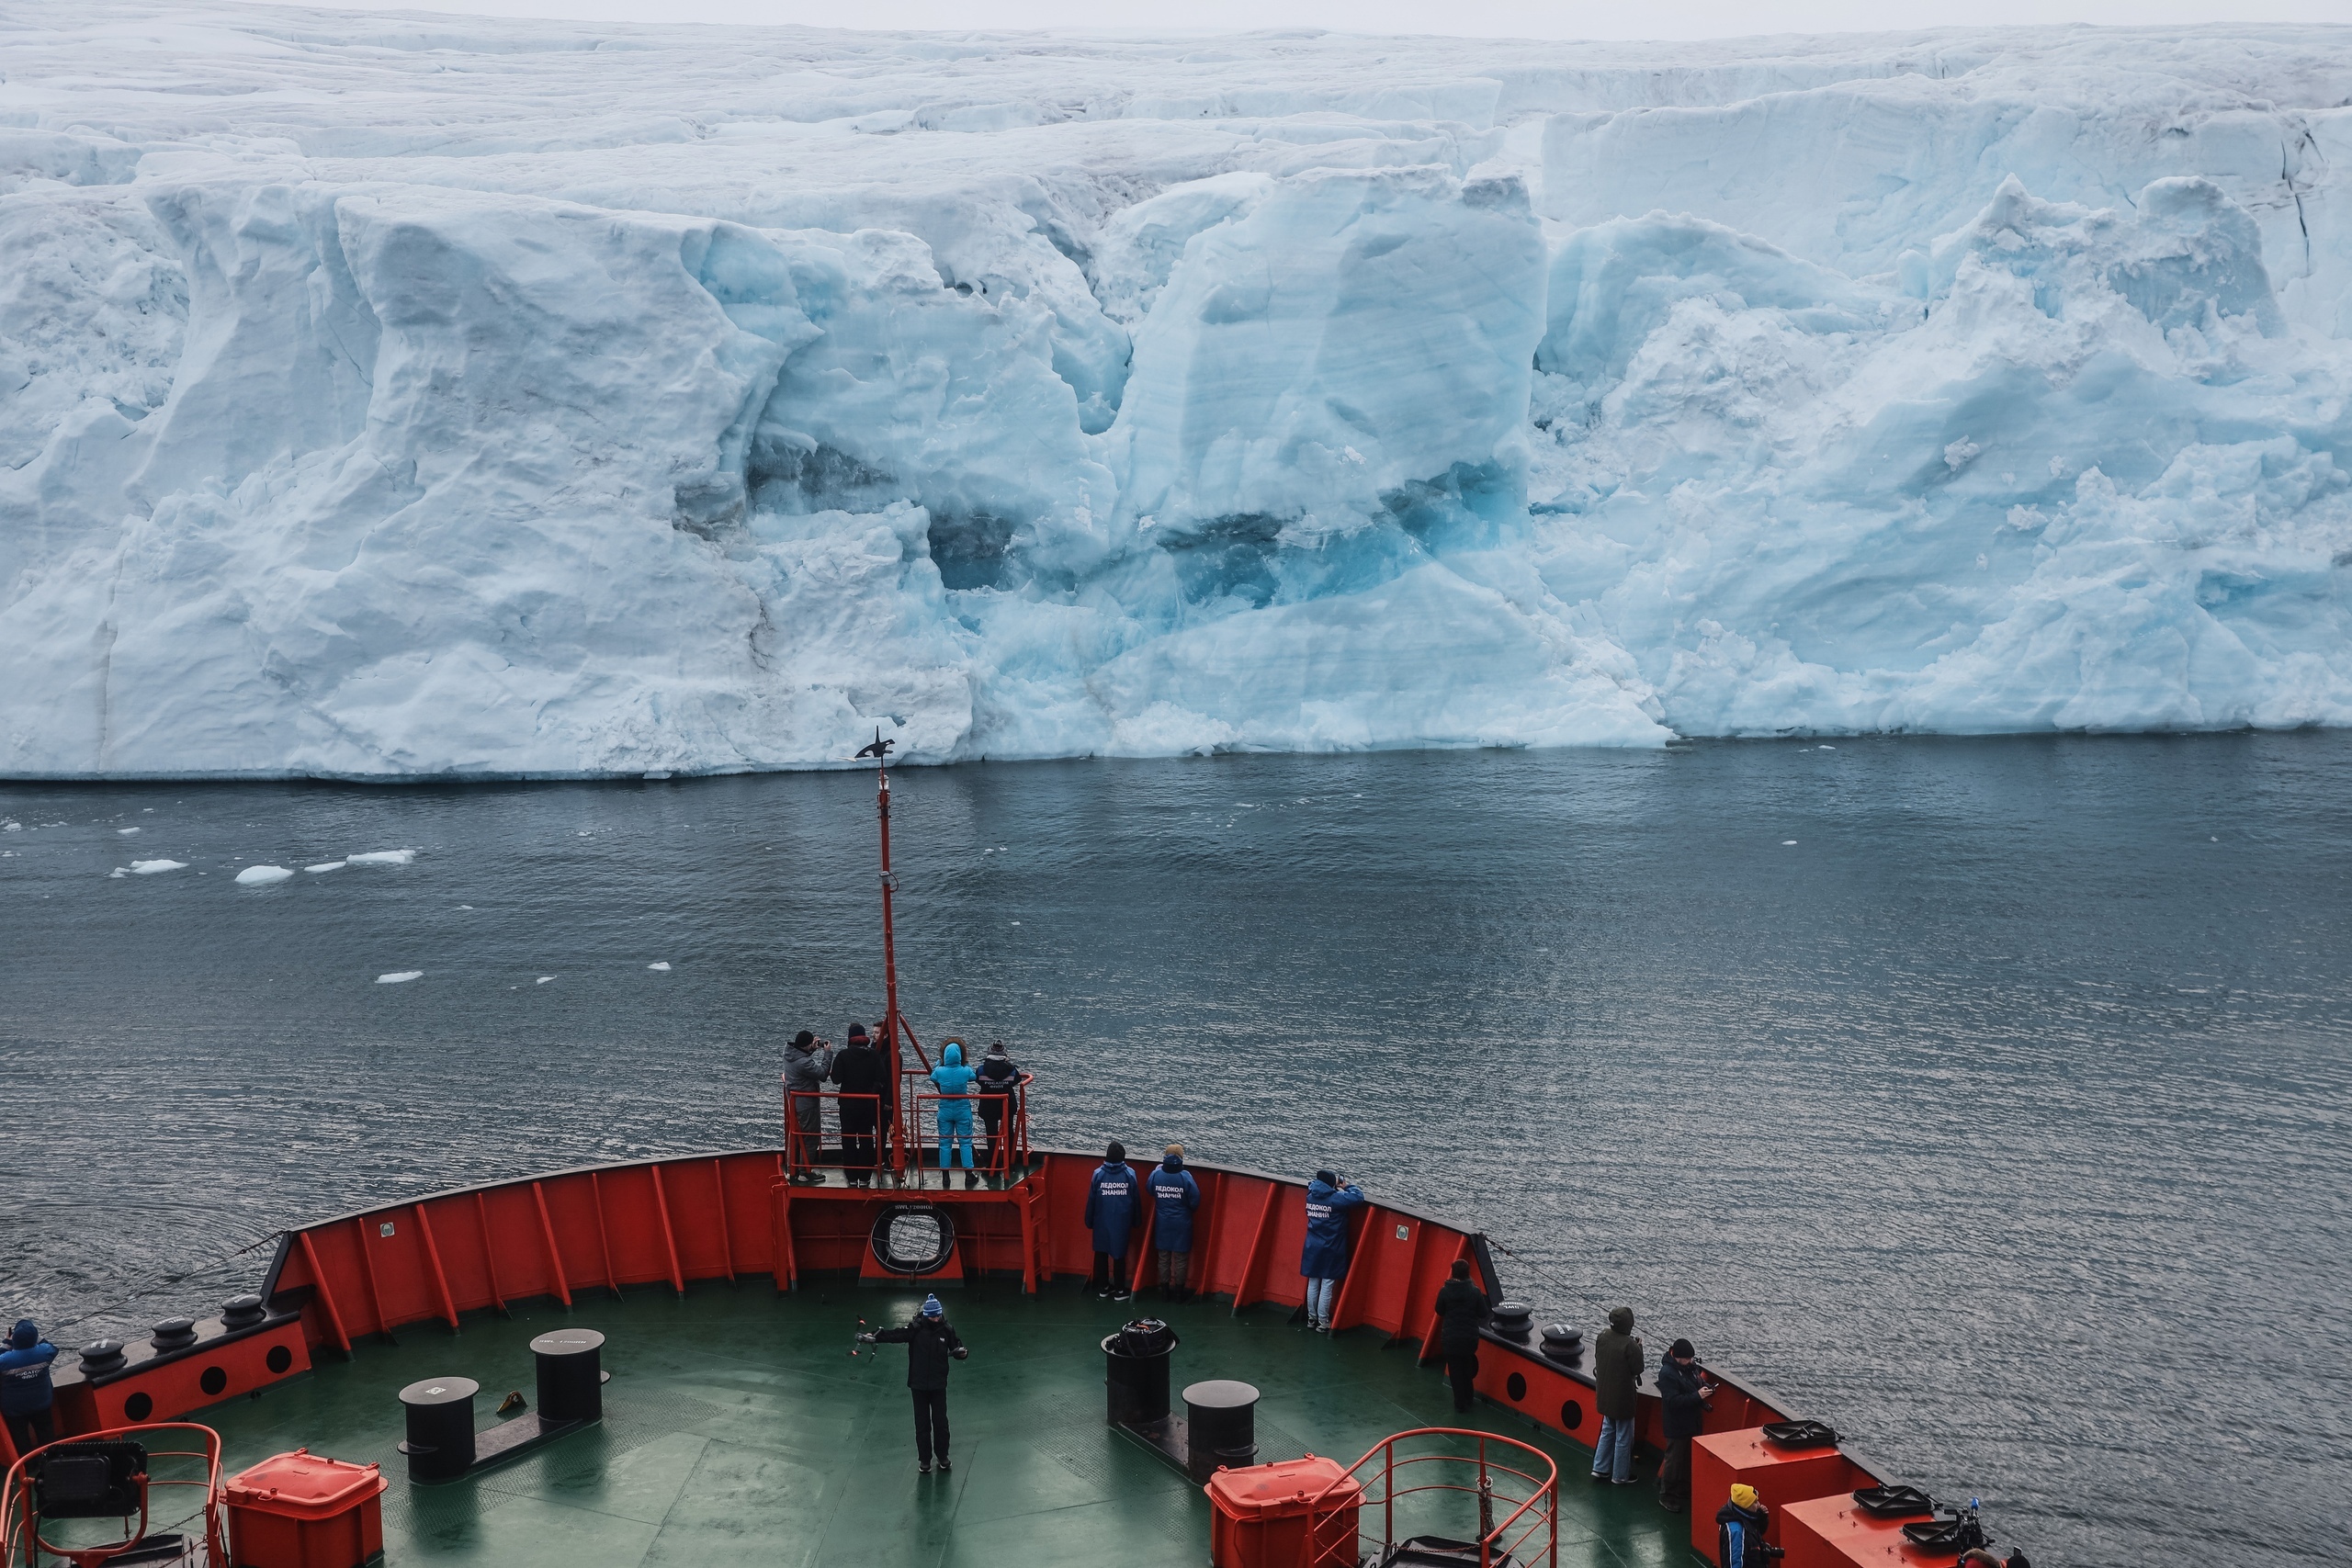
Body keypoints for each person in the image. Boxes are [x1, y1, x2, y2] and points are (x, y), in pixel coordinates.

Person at [859, 1294, 968, 1473]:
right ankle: (924, 1460)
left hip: (938, 1384)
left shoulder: (946, 1330)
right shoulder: (916, 1330)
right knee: (922, 1424)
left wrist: (962, 1353)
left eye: (938, 1315)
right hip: (918, 1385)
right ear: (926, 1315)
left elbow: (956, 1346)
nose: (936, 1318)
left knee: (941, 1423)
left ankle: (943, 1456)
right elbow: (896, 1334)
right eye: (933, 1316)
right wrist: (875, 1336)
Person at [1299, 1169, 1365, 1332]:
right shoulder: (1335, 1199)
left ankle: (1311, 1318)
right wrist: (1347, 1186)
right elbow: (1358, 1197)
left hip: (1312, 1246)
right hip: (1331, 1248)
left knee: (1313, 1283)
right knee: (1327, 1285)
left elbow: (1313, 1185)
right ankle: (1323, 1322)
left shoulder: (1311, 1195)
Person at [1656, 1337, 1713, 1512]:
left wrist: (1706, 1387)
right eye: (1687, 1358)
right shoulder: (1667, 1373)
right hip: (1677, 1425)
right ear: (1678, 1357)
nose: (1690, 1361)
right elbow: (1672, 1401)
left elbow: (1697, 1381)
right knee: (1674, 1460)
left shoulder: (1689, 1367)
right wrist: (1697, 1396)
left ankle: (1682, 1489)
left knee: (1687, 1458)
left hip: (1692, 1422)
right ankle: (1667, 1495)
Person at [829, 1024, 888, 1186]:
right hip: (868, 1105)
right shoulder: (874, 1055)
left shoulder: (843, 1055)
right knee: (866, 1140)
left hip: (848, 1105)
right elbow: (882, 1078)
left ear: (850, 1038)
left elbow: (836, 1079)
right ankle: (865, 1177)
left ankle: (852, 1176)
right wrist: (872, 1091)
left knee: (848, 1140)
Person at [1590, 1305, 1644, 1484]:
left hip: (1605, 1394)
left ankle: (1600, 1468)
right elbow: (1638, 1368)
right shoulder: (1629, 1344)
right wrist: (1639, 1348)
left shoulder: (1602, 1336)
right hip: (1623, 1399)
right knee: (1623, 1437)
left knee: (1607, 1430)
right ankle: (1620, 1475)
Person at [1083, 1143, 1140, 1301]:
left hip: (1101, 1221)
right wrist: (1137, 1220)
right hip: (1121, 1223)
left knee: (1101, 1253)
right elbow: (1136, 1200)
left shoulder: (1098, 1174)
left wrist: (1088, 1220)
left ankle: (1104, 1287)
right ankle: (1120, 1290)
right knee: (1119, 1256)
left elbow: (1091, 1200)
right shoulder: (1130, 1174)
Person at [1431, 1258, 1489, 1414]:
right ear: (1467, 1273)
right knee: (1467, 1367)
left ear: (1453, 1272)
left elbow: (1439, 1310)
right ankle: (1469, 1398)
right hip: (1469, 1338)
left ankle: (1460, 1404)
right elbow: (1483, 1313)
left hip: (1450, 1338)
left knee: (1455, 1370)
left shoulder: (1445, 1291)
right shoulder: (1475, 1291)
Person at [1146, 1146, 1202, 1303]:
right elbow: (1195, 1199)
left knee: (1163, 1257)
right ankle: (1178, 1293)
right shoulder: (1185, 1177)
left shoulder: (1157, 1174)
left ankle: (1164, 1292)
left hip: (1163, 1221)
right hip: (1182, 1223)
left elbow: (1149, 1189)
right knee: (1180, 1259)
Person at [1, 1320, 58, 1456]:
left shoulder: (5, 1360)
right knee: (46, 1433)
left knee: (21, 1439)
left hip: (14, 1410)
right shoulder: (45, 1353)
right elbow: (50, 1346)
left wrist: (7, 1342)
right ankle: (52, 1460)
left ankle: (27, 1466)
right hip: (41, 1403)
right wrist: (35, 1336)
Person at [782, 1030, 833, 1182]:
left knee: (797, 1137)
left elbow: (802, 1059)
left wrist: (811, 1049)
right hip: (807, 1105)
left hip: (795, 1103)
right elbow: (823, 1074)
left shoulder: (789, 1054)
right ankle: (806, 1172)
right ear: (806, 1045)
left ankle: (794, 1170)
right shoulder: (803, 1062)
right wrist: (827, 1054)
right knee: (811, 1138)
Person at [930, 1043, 978, 1188]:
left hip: (945, 1109)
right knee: (965, 1142)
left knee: (945, 1144)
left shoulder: (939, 1071)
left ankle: (945, 1176)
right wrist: (967, 1063)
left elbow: (933, 1076)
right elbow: (974, 1076)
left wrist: (939, 1063)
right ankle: (969, 1175)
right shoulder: (964, 1070)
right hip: (962, 1109)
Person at [975, 1042, 1022, 1176]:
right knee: (1009, 1133)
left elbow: (978, 1079)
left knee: (992, 1135)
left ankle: (993, 1165)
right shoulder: (1012, 1070)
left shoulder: (981, 1070)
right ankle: (1010, 1163)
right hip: (1007, 1105)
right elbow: (1016, 1080)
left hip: (988, 1105)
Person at [1715, 1483, 1781, 1568]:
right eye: (1755, 1502)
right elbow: (1735, 1564)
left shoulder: (1744, 1517)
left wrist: (1761, 1517)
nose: (1759, 1505)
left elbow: (1757, 1533)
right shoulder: (1736, 1531)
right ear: (1746, 1506)